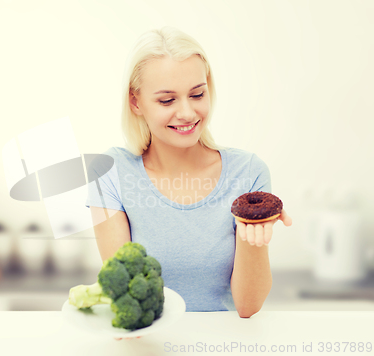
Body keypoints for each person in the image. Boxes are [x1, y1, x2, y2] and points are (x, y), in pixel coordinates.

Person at [85, 26, 292, 331]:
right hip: (147, 346)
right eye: (167, 101)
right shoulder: (111, 172)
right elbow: (125, 292)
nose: (187, 112)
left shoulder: (248, 172)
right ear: (135, 102)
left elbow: (247, 307)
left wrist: (254, 235)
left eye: (197, 94)